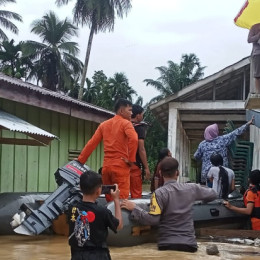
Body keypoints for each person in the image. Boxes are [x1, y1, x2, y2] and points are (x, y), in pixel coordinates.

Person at [121, 157, 217, 253]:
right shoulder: (192, 188)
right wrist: (199, 199)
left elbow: (153, 219)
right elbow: (213, 194)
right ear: (177, 173)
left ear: (160, 173)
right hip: (189, 245)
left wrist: (135, 208)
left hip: (166, 244)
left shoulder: (158, 194)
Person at [77, 98, 138, 202]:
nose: (131, 113)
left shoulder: (104, 125)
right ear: (121, 111)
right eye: (130, 110)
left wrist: (80, 160)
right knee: (121, 201)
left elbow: (92, 143)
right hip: (120, 166)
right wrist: (131, 160)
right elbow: (134, 139)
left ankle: (109, 217)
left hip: (106, 168)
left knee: (109, 200)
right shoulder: (126, 123)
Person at [68, 170, 123, 260]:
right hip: (98, 256)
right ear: (98, 191)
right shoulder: (102, 211)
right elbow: (119, 225)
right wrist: (116, 200)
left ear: (80, 188)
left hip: (77, 255)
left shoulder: (72, 209)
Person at [194, 117, 254, 185]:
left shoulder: (202, 144)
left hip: (208, 174)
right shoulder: (223, 140)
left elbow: (196, 156)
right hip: (222, 172)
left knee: (210, 192)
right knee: (223, 190)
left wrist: (204, 158)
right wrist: (247, 124)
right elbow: (236, 132)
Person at [130, 104, 150, 198]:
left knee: (121, 192)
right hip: (134, 164)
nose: (142, 116)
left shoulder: (124, 125)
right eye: (142, 114)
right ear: (138, 115)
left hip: (120, 163)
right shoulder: (139, 128)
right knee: (136, 194)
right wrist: (146, 167)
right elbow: (141, 149)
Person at [248, 23, 260, 94]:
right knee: (258, 74)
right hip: (258, 53)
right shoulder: (254, 27)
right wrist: (258, 35)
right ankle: (258, 93)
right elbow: (249, 39)